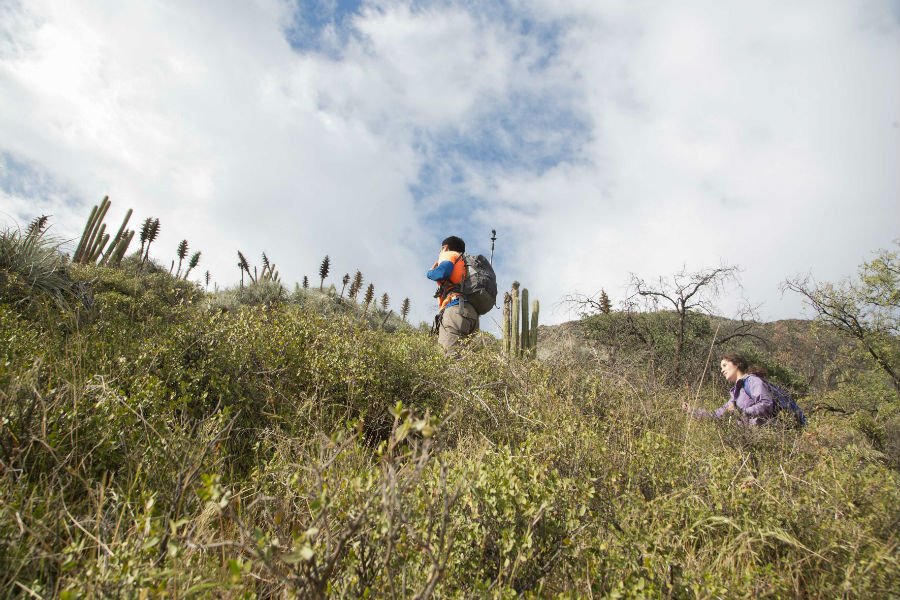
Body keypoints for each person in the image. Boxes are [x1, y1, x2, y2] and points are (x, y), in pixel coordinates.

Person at [682, 354, 777, 425]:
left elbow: (767, 405)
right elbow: (717, 415)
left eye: (724, 365)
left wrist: (741, 412)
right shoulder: (735, 393)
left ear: (737, 364)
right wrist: (692, 411)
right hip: (745, 443)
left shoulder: (753, 381)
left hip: (762, 441)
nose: (722, 370)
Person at [427, 236, 479, 354]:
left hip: (456, 310)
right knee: (467, 362)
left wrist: (430, 272)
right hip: (473, 315)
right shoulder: (466, 263)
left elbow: (442, 273)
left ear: (445, 247)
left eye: (440, 250)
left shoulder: (450, 254)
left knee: (448, 359)